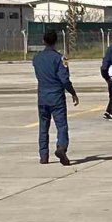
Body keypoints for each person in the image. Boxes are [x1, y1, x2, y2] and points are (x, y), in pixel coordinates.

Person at [32, 30, 79, 165]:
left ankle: (43, 155)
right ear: (56, 41)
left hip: (42, 96)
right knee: (61, 125)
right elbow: (64, 79)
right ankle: (61, 147)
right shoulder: (60, 58)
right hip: (56, 96)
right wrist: (73, 93)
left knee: (43, 126)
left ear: (43, 41)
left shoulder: (36, 58)